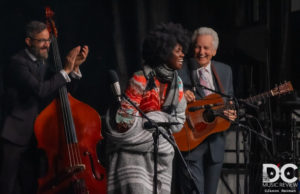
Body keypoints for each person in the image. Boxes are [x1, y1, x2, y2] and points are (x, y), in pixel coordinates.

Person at [0, 21, 89, 194]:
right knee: (7, 185)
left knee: (32, 184)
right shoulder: (17, 63)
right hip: (15, 135)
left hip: (37, 134)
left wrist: (74, 68)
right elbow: (41, 90)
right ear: (28, 41)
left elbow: (61, 89)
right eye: (41, 41)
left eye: (48, 40)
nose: (47, 45)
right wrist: (65, 70)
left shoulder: (43, 64)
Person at [105, 23, 189, 194]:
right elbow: (123, 122)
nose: (183, 54)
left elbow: (178, 123)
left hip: (161, 158)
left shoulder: (177, 84)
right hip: (132, 158)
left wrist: (156, 120)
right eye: (178, 50)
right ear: (164, 53)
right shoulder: (140, 79)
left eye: (183, 50)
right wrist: (158, 121)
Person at [177, 27, 236, 194]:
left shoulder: (225, 71)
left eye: (206, 48)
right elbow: (166, 101)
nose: (201, 52)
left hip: (216, 145)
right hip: (190, 142)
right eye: (197, 47)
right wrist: (180, 96)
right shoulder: (179, 70)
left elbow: (230, 100)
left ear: (214, 51)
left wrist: (232, 114)